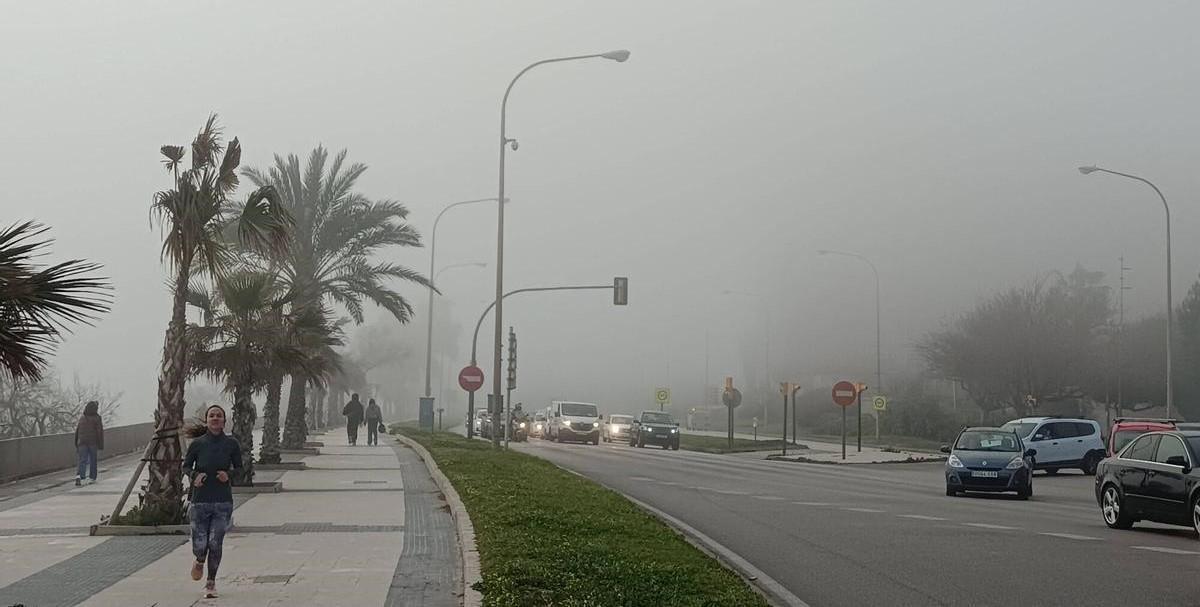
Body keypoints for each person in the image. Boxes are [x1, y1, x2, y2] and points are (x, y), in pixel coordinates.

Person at [183, 404, 242, 599]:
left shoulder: (231, 444)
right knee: (200, 545)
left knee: (215, 543)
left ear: (224, 420)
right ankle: (199, 560)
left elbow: (240, 468)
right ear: (207, 420)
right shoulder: (198, 444)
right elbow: (185, 466)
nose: (215, 418)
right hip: (199, 502)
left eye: (219, 416)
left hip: (222, 502)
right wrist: (194, 475)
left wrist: (229, 475)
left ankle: (211, 582)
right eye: (211, 416)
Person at [74, 400, 104, 486]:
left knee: (82, 460)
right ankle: (92, 477)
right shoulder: (97, 418)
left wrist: (76, 442)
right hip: (92, 442)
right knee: (93, 460)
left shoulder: (82, 417)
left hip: (82, 442)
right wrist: (100, 444)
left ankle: (79, 476)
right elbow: (99, 432)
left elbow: (77, 431)